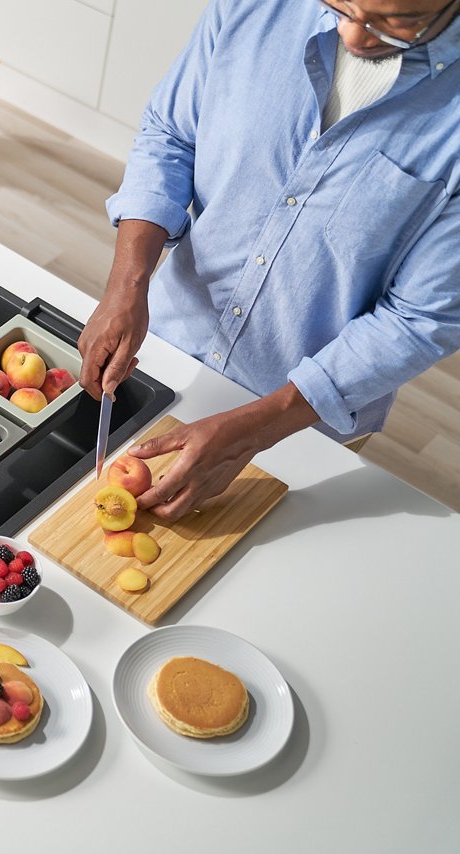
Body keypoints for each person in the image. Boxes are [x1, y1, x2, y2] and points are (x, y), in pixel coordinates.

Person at [79, 0, 460, 520]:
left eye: (395, 21)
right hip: (167, 354)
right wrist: (128, 282)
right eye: (340, 4)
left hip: (301, 425)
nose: (353, 35)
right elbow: (170, 136)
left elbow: (420, 320)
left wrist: (256, 429)